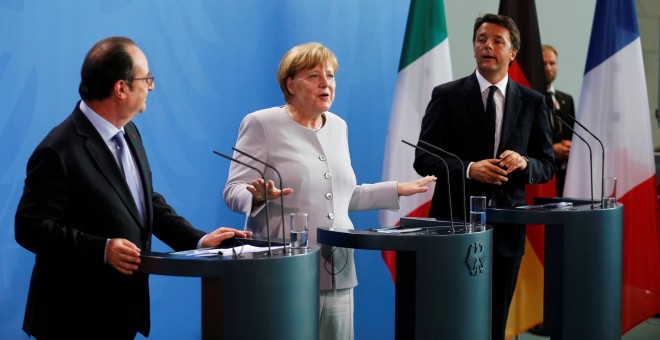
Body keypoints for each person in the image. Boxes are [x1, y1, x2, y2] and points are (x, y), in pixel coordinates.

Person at [14, 37, 251, 339]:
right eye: (147, 78)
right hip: (73, 317)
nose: (151, 86)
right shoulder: (58, 149)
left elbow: (144, 202)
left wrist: (199, 241)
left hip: (120, 312)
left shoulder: (129, 131)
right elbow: (30, 227)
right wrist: (101, 249)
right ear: (121, 88)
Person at [223, 42, 435, 340]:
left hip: (337, 267)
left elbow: (344, 196)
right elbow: (233, 190)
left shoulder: (338, 126)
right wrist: (257, 197)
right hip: (283, 269)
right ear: (290, 84)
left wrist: (397, 189)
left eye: (331, 75)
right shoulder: (262, 123)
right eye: (314, 75)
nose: (326, 83)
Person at [413, 14, 554, 340]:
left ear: (512, 52)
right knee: (450, 319)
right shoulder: (447, 95)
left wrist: (524, 163)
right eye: (481, 40)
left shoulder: (533, 102)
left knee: (494, 321)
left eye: (497, 41)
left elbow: (546, 163)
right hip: (453, 224)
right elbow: (423, 157)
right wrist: (468, 168)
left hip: (506, 231)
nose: (487, 46)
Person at [543, 44, 576, 197]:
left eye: (552, 63)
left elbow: (573, 133)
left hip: (565, 176)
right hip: (542, 176)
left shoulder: (566, 100)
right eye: (544, 64)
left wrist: (572, 147)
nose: (548, 68)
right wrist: (552, 150)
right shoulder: (528, 98)